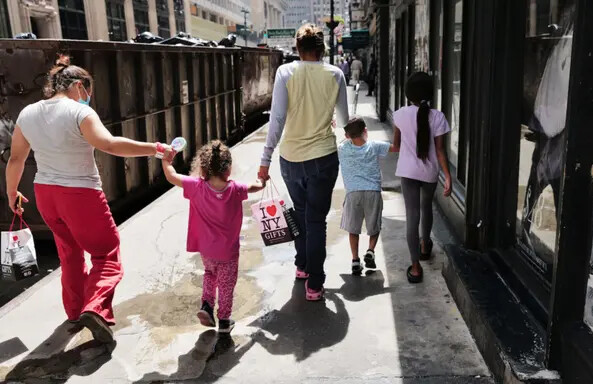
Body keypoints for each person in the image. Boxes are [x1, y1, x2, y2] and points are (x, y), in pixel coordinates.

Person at [5, 55, 174, 343]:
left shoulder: (28, 113)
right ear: (80, 87)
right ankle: (95, 308)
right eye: (89, 92)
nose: (89, 98)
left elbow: (16, 158)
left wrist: (12, 193)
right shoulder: (79, 112)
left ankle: (74, 312)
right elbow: (108, 144)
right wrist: (156, 149)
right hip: (80, 194)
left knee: (69, 254)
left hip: (45, 193)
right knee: (107, 253)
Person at [258, 23, 349, 301]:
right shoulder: (335, 74)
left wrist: (265, 159)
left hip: (291, 158)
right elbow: (345, 120)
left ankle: (301, 267)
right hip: (323, 157)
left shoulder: (285, 72)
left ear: (297, 49)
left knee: (300, 213)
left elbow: (277, 119)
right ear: (322, 48)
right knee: (316, 220)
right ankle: (315, 284)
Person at [162, 140, 265, 333]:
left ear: (203, 168)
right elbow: (254, 186)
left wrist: (166, 160)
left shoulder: (196, 187)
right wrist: (261, 181)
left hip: (206, 250)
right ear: (229, 168)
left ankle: (207, 306)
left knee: (210, 274)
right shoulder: (236, 189)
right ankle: (224, 320)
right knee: (227, 284)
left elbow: (172, 176)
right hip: (228, 252)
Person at [392, 72, 452, 284]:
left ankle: (415, 268)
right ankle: (425, 246)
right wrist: (448, 177)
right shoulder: (438, 117)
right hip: (430, 173)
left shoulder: (399, 115)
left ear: (408, 94)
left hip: (408, 172)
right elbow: (441, 150)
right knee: (426, 208)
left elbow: (396, 145)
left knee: (412, 215)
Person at [338, 117, 398, 275]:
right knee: (374, 225)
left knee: (353, 228)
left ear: (347, 136)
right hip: (373, 192)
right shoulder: (374, 145)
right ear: (365, 131)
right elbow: (396, 148)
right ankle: (370, 250)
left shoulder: (342, 149)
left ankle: (355, 260)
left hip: (353, 194)